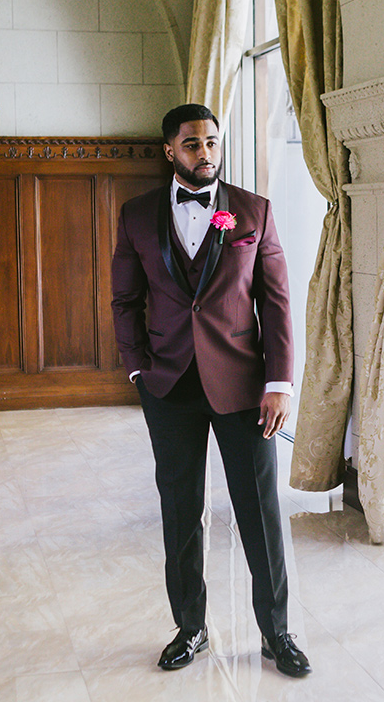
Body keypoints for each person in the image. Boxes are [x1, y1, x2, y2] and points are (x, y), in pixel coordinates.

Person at [111, 103, 311, 678]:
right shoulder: (136, 215)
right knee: (180, 510)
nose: (206, 154)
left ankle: (277, 632)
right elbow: (125, 301)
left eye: (213, 143)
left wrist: (279, 383)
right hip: (168, 385)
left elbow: (275, 304)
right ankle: (190, 627)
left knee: (260, 511)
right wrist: (137, 371)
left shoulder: (254, 211)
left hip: (246, 388)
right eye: (193, 144)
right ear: (170, 150)